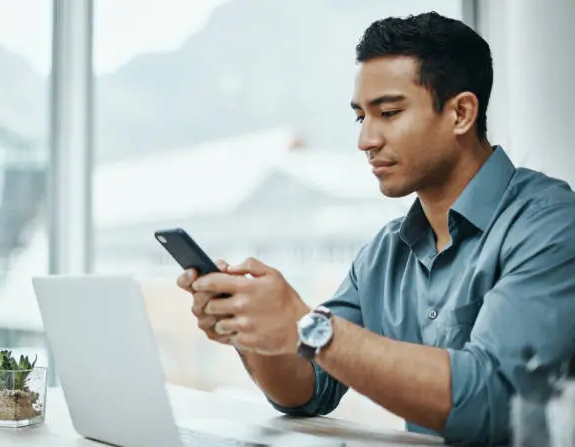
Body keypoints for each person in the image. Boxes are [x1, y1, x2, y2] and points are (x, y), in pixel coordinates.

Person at [177, 11, 575, 446]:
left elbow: (496, 401)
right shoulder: (386, 252)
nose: (366, 140)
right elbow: (308, 388)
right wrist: (252, 329)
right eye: (360, 117)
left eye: (388, 112)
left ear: (461, 113)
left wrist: (311, 328)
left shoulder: (552, 224)